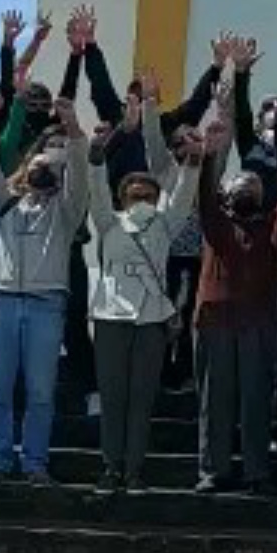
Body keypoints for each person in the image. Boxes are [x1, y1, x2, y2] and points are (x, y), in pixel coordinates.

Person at [0, 90, 91, 485]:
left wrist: (72, 128)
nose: (45, 170)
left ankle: (35, 462)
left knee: (41, 391)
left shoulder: (67, 212)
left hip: (45, 303)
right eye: (39, 163)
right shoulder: (3, 203)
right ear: (26, 166)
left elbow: (79, 167)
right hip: (0, 300)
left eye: (53, 168)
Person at [87, 105, 200, 494]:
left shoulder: (164, 225)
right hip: (111, 318)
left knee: (141, 402)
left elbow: (184, 197)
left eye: (149, 190)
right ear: (123, 196)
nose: (141, 192)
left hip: (151, 319)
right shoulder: (108, 222)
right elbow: (97, 191)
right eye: (134, 189)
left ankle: (134, 471)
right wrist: (97, 157)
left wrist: (193, 164)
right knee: (113, 399)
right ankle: (109, 468)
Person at [193, 123, 277, 495]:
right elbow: (203, 197)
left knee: (256, 399)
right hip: (216, 320)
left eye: (254, 187)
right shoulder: (218, 224)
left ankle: (256, 471)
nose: (247, 189)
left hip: (257, 322)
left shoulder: (271, 228)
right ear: (227, 194)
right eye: (240, 185)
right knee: (215, 399)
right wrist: (211, 156)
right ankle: (214, 469)